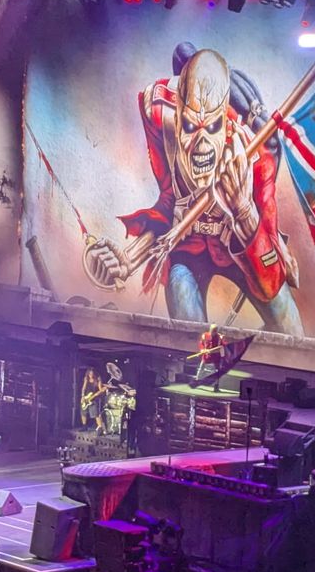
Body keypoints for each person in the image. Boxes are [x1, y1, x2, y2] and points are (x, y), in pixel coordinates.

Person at [82, 46, 303, 335]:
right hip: (191, 251)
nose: (200, 144)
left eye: (211, 127)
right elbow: (171, 201)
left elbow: (270, 279)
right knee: (187, 322)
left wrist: (244, 212)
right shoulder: (161, 120)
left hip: (243, 250)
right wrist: (129, 258)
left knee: (292, 330)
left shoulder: (257, 157)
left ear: (225, 122)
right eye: (190, 125)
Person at [190, 323, 225, 391]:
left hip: (216, 357)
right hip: (206, 356)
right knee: (201, 368)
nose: (213, 333)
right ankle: (196, 382)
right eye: (212, 331)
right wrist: (203, 349)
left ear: (216, 331)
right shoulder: (205, 335)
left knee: (217, 371)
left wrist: (211, 351)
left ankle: (216, 386)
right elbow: (201, 344)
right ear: (210, 330)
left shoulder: (219, 338)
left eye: (215, 331)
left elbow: (220, 348)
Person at [80, 367, 107, 434]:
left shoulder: (98, 379)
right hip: (86, 397)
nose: (91, 375)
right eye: (89, 374)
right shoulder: (86, 378)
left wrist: (102, 391)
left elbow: (100, 389)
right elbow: (83, 388)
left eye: (92, 374)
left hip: (93, 398)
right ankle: (84, 426)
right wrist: (83, 396)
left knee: (95, 414)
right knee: (83, 412)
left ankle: (100, 428)